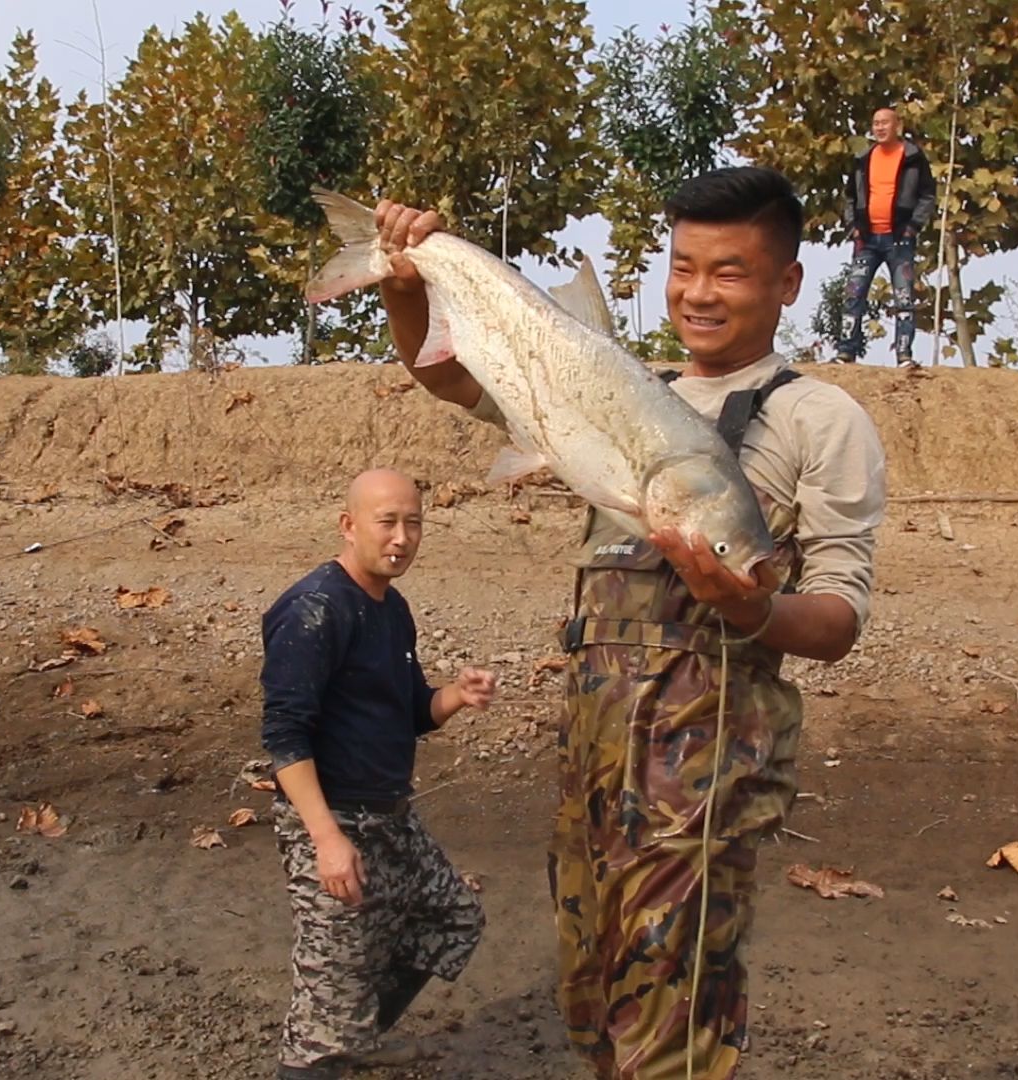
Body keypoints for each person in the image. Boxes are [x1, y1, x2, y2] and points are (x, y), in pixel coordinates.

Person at [371, 167, 886, 1079]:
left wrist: (752, 606)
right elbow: (445, 374)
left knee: (670, 1036)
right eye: (684, 267)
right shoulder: (603, 383)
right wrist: (410, 287)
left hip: (703, 783)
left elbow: (840, 616)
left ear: (787, 283)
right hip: (594, 768)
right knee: (594, 1007)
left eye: (729, 271)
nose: (698, 292)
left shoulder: (819, 419)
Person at [260, 467, 498, 1080]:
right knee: (321, 1024)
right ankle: (333, 1045)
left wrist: (456, 695)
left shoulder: (391, 609)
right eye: (386, 522)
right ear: (349, 525)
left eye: (413, 523)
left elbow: (412, 710)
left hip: (391, 815)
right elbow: (284, 736)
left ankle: (355, 1034)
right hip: (332, 820)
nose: (402, 537)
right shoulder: (314, 609)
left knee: (453, 918)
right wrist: (326, 841)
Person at [837, 105, 937, 367]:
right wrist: (853, 226)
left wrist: (913, 226)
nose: (879, 128)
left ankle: (904, 354)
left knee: (903, 297)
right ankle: (846, 351)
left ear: (897, 125)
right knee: (854, 294)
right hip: (866, 239)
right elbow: (849, 196)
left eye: (885, 123)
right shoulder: (863, 159)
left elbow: (928, 195)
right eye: (876, 123)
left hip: (899, 239)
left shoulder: (913, 158)